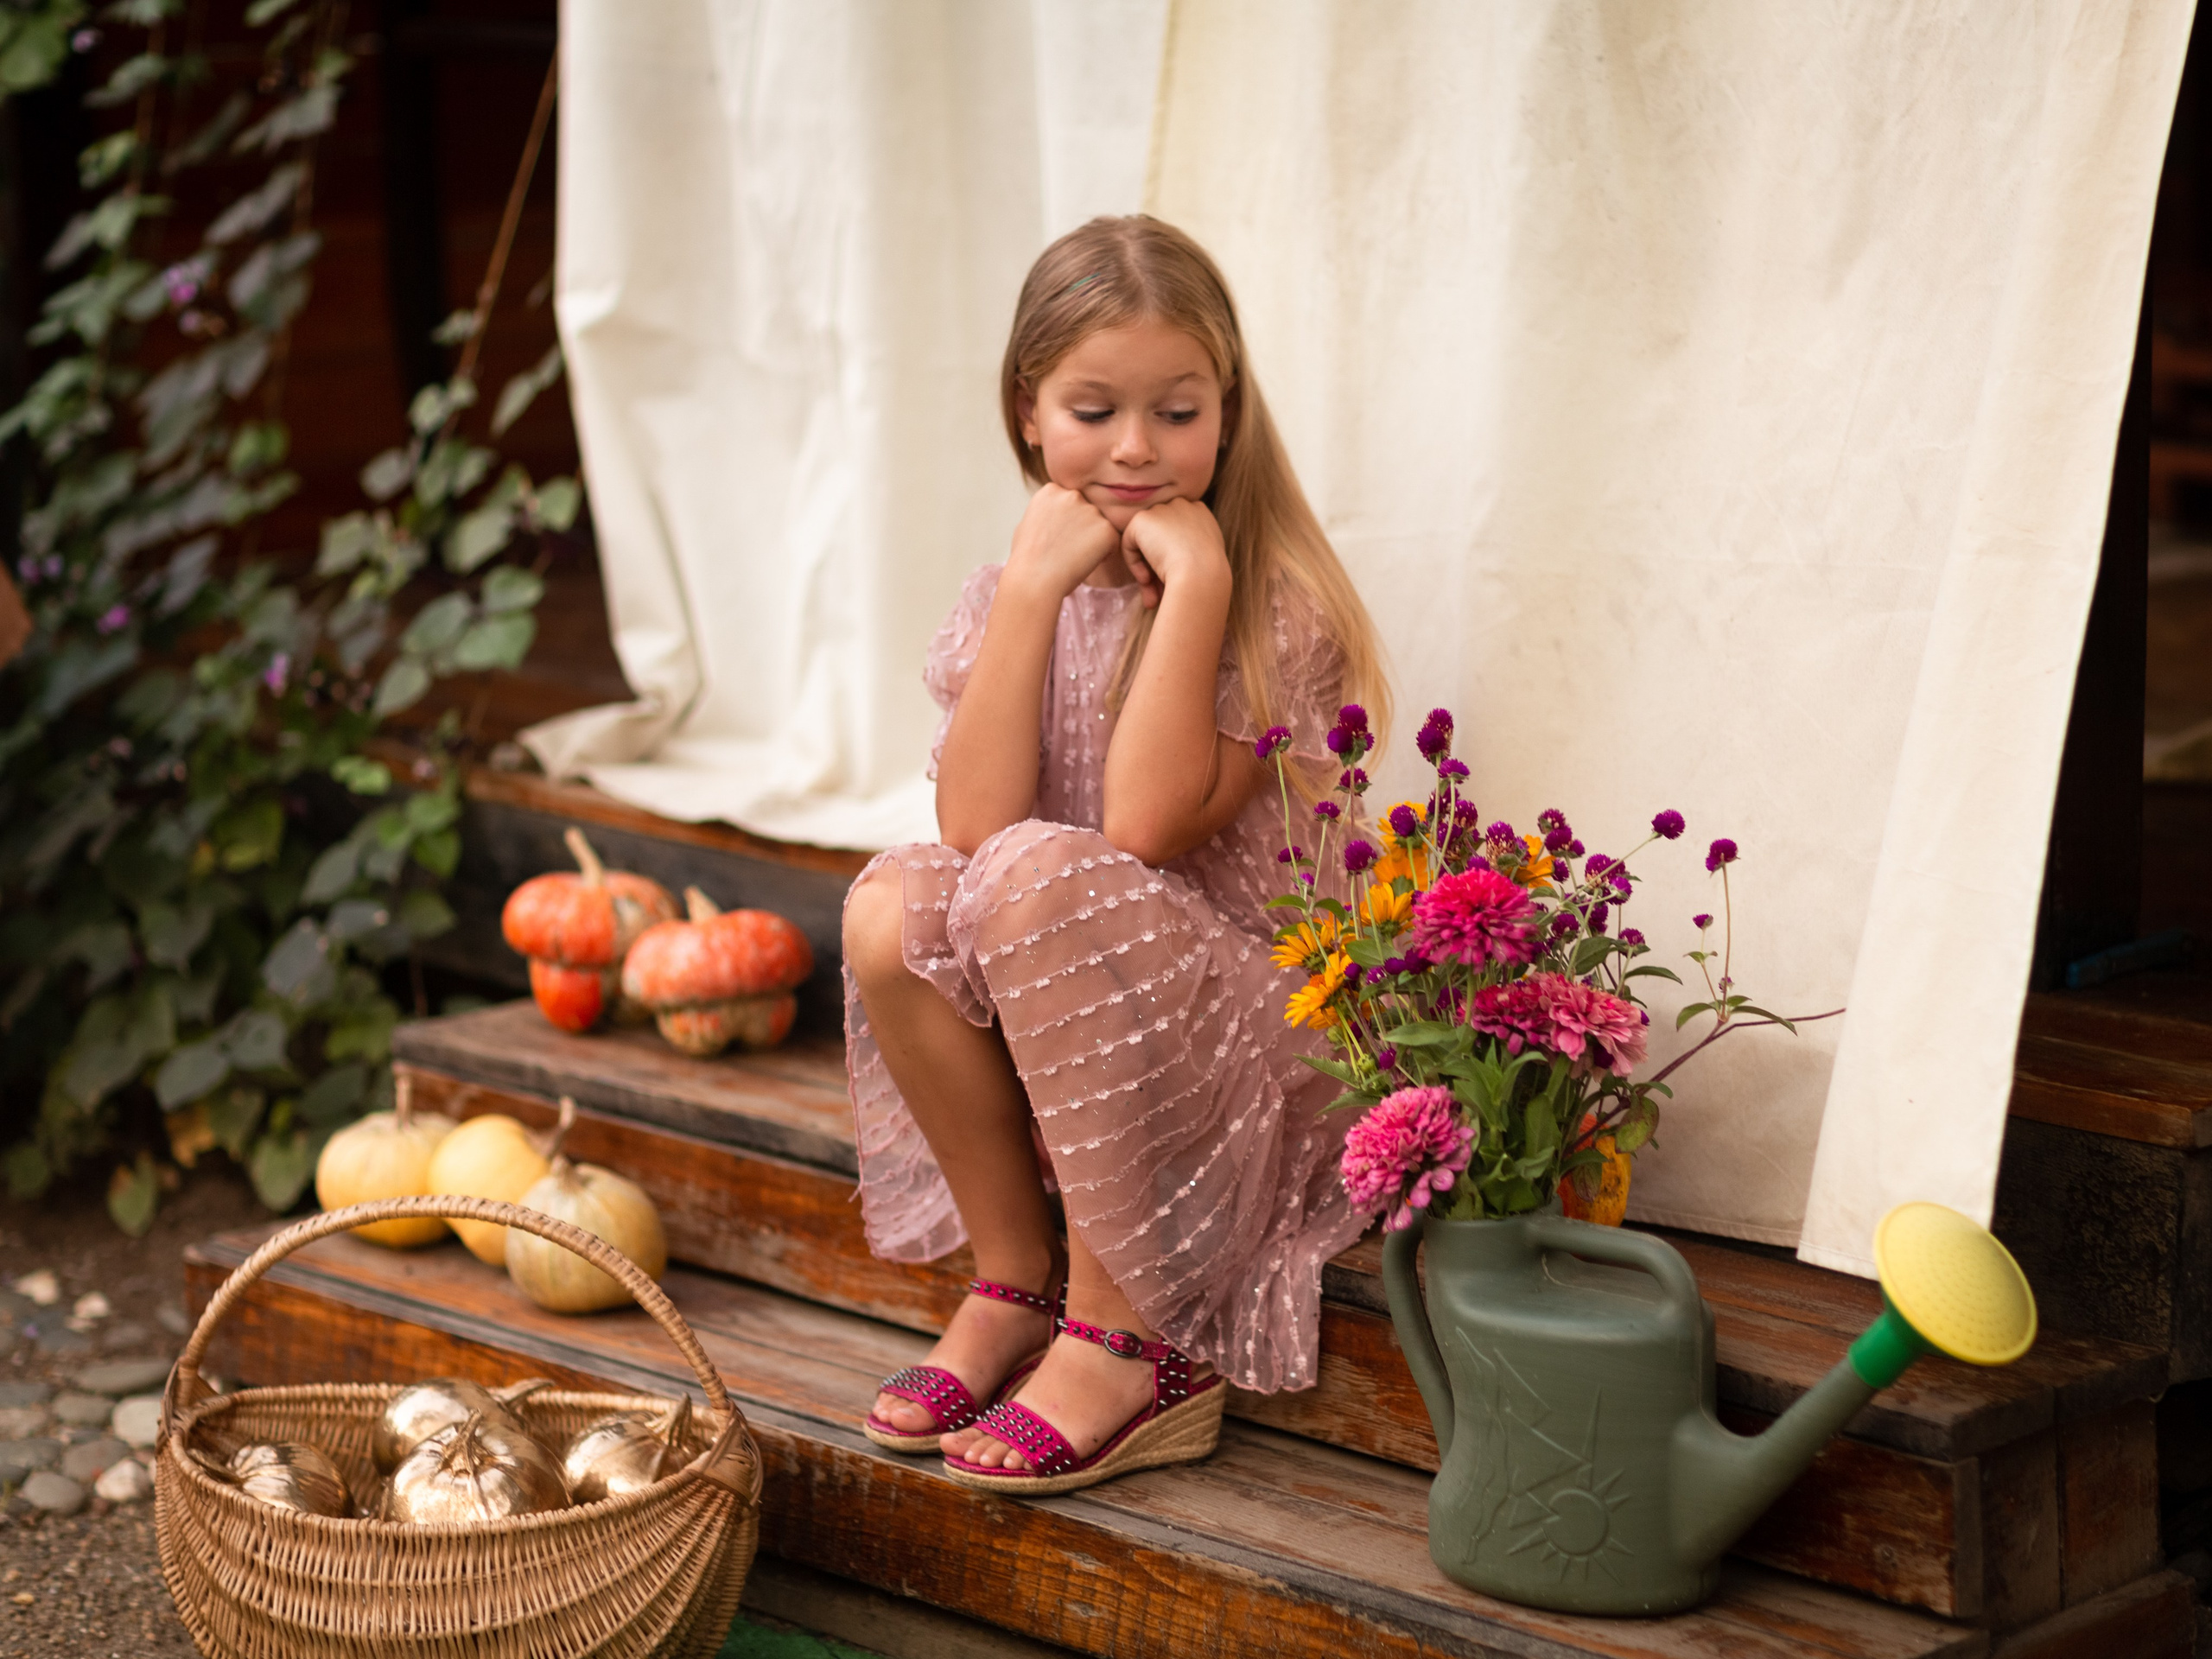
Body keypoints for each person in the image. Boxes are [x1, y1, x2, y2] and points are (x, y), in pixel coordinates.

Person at [841, 214, 1388, 1496]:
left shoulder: (1275, 605)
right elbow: (969, 831)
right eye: (1095, 409)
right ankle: (1016, 1280)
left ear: (1227, 413)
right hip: (1070, 1012)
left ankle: (1125, 1338)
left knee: (1041, 874)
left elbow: (1140, 831)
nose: (1137, 447)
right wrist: (1032, 593)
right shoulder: (1012, 589)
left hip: (1254, 1034)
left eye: (1177, 410)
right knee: (894, 903)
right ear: (1029, 414)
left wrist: (1195, 590)